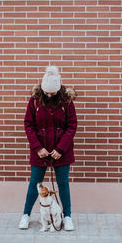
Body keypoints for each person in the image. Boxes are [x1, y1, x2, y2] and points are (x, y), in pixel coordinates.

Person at [19, 66, 77, 231]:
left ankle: (67, 216)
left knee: (63, 183)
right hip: (40, 151)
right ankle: (26, 215)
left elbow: (71, 126)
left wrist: (60, 149)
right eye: (47, 92)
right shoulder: (35, 101)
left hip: (62, 152)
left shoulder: (67, 102)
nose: (49, 95)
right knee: (34, 184)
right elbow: (28, 125)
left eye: (52, 93)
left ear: (58, 89)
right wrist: (38, 148)